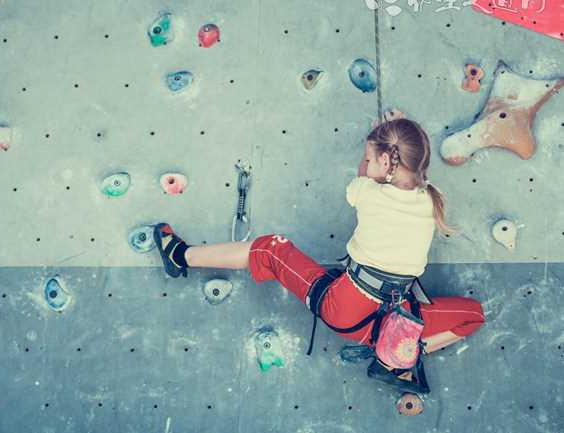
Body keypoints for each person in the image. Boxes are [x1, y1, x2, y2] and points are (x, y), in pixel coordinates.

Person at [152, 114, 486, 392]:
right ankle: (397, 353)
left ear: (385, 162)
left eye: (370, 157)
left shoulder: (367, 192)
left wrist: (378, 156)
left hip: (344, 310)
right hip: (390, 320)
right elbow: (406, 170)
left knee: (271, 249)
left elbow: (363, 179)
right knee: (474, 315)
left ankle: (179, 256)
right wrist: (395, 148)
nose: (365, 162)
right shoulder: (430, 198)